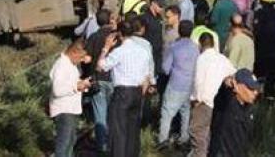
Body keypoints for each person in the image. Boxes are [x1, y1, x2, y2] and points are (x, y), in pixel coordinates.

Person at [98, 19, 152, 157]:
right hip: (138, 92)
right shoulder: (143, 51)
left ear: (120, 34)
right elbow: (146, 77)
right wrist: (142, 94)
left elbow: (100, 66)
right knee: (133, 131)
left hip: (122, 93)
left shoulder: (119, 52)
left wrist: (106, 47)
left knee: (119, 131)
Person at [190, 33, 237, 157]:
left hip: (203, 101)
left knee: (198, 133)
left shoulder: (201, 59)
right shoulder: (222, 59)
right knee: (209, 132)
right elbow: (234, 73)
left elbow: (199, 81)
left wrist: (195, 99)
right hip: (216, 102)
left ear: (200, 44)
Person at [157, 20, 199, 149]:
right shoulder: (196, 48)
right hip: (190, 84)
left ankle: (163, 139)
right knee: (185, 112)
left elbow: (165, 68)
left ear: (179, 30)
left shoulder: (174, 47)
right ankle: (184, 138)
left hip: (175, 83)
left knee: (167, 112)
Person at [49, 38, 92, 157]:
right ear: (74, 52)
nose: (81, 60)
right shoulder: (61, 65)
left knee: (70, 142)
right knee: (64, 144)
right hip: (64, 110)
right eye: (81, 57)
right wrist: (76, 87)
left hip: (71, 109)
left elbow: (73, 83)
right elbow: (57, 90)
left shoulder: (71, 65)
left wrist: (82, 85)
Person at [209, 69, 261, 157]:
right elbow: (223, 93)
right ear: (237, 86)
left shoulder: (249, 108)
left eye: (255, 88)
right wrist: (227, 83)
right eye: (250, 88)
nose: (255, 92)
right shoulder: (227, 104)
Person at [84, 9, 116, 153]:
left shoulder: (93, 37)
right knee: (113, 114)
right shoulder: (116, 37)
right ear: (110, 20)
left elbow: (87, 59)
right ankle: (113, 142)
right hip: (114, 80)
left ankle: (102, 147)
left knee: (100, 114)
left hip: (98, 80)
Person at [253, 0, 275, 99]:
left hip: (261, 52)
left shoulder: (258, 15)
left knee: (259, 77)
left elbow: (255, 32)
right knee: (271, 80)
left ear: (262, 2)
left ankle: (257, 97)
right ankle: (269, 98)